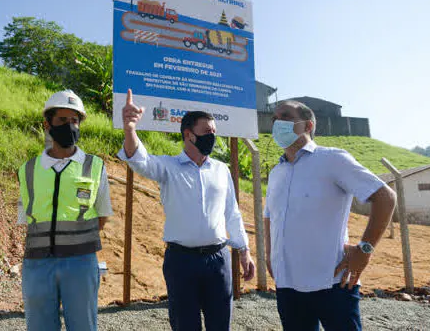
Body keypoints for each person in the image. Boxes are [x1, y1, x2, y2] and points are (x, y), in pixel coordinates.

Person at [118, 89, 255, 331]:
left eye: (214, 132)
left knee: (220, 324)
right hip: (182, 261)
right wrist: (130, 129)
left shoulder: (221, 170)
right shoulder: (169, 167)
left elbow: (231, 212)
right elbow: (140, 160)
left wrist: (244, 250)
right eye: (206, 132)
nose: (212, 136)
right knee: (185, 325)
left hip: (218, 260)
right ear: (188, 135)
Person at [264, 100, 397, 330]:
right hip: (288, 286)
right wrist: (269, 255)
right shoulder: (277, 172)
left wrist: (364, 250)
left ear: (308, 126)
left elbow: (385, 198)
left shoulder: (332, 160)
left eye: (285, 116)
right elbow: (269, 216)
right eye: (274, 119)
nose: (277, 123)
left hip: (333, 284)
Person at [17, 89, 113, 331]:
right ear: (47, 124)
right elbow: (26, 218)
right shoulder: (28, 170)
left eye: (75, 120)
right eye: (62, 120)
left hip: (80, 263)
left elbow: (102, 216)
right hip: (37, 264)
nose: (70, 126)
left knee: (83, 326)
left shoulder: (95, 166)